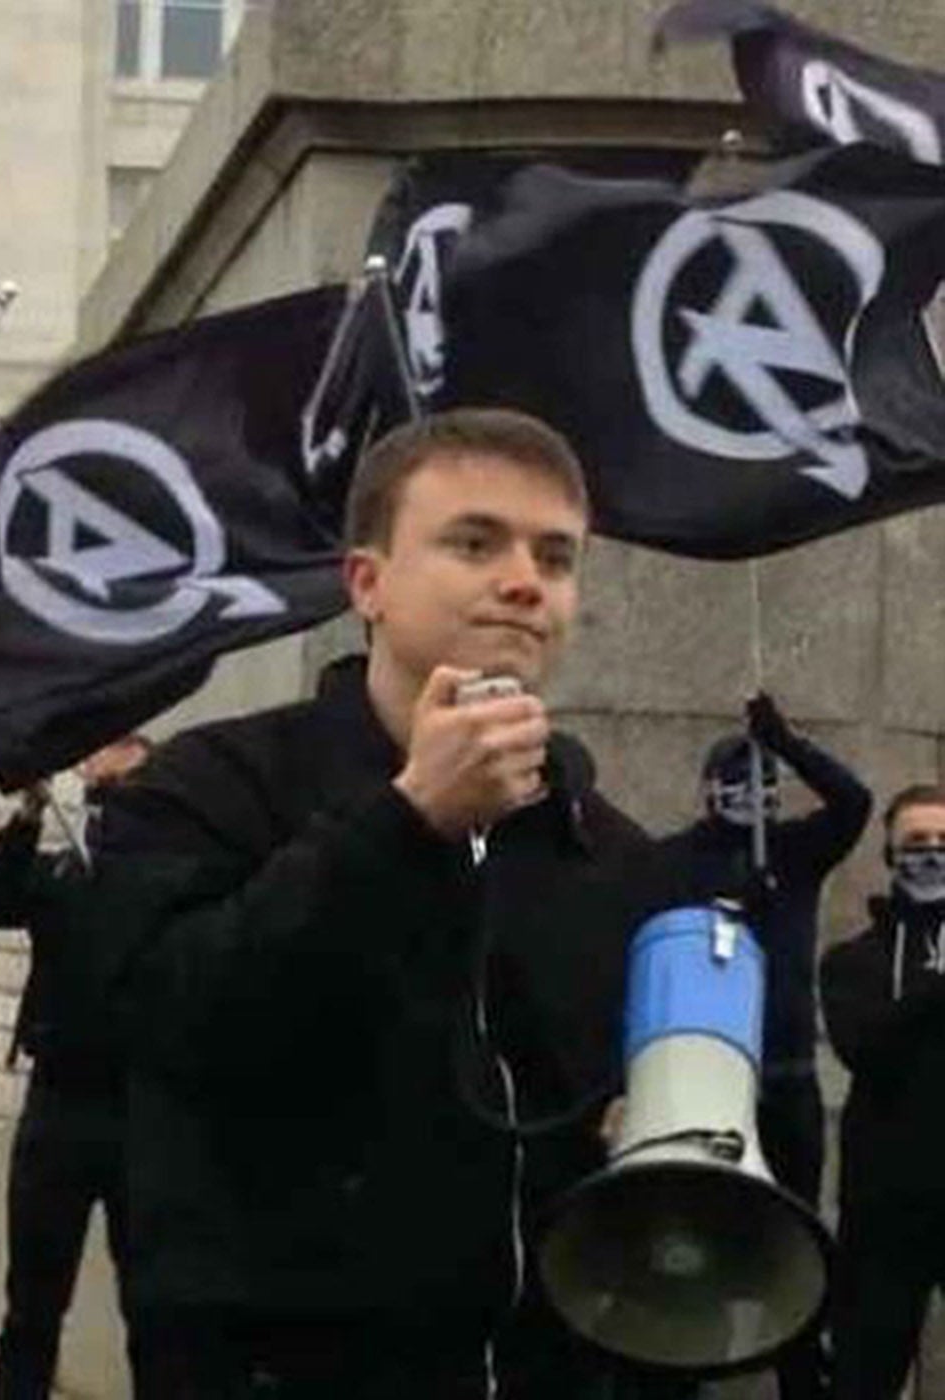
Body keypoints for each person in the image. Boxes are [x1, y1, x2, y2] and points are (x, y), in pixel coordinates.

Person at [96, 408, 666, 1398]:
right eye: (473, 541)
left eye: (555, 556)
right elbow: (173, 1018)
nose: (525, 582)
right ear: (367, 582)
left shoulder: (605, 848)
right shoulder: (213, 783)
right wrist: (404, 822)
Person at [652, 699, 870, 1399]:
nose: (757, 797)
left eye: (766, 783)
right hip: (708, 1076)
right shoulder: (673, 860)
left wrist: (789, 742)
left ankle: (803, 1374)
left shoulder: (798, 851)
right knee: (700, 1233)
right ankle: (685, 1366)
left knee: (796, 1240)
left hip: (788, 1076)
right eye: (741, 782)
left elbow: (854, 802)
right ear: (711, 790)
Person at [0, 735, 150, 1400]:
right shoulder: (63, 873)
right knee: (35, 1301)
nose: (106, 761)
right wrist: (26, 818)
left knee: (151, 1296)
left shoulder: (167, 866)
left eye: (128, 752)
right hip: (60, 1099)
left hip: (138, 1102)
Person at [820, 784, 945, 1400]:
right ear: (890, 854)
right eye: (917, 842)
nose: (931, 854)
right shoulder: (852, 960)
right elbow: (861, 1045)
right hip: (884, 1209)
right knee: (864, 1376)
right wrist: (936, 988)